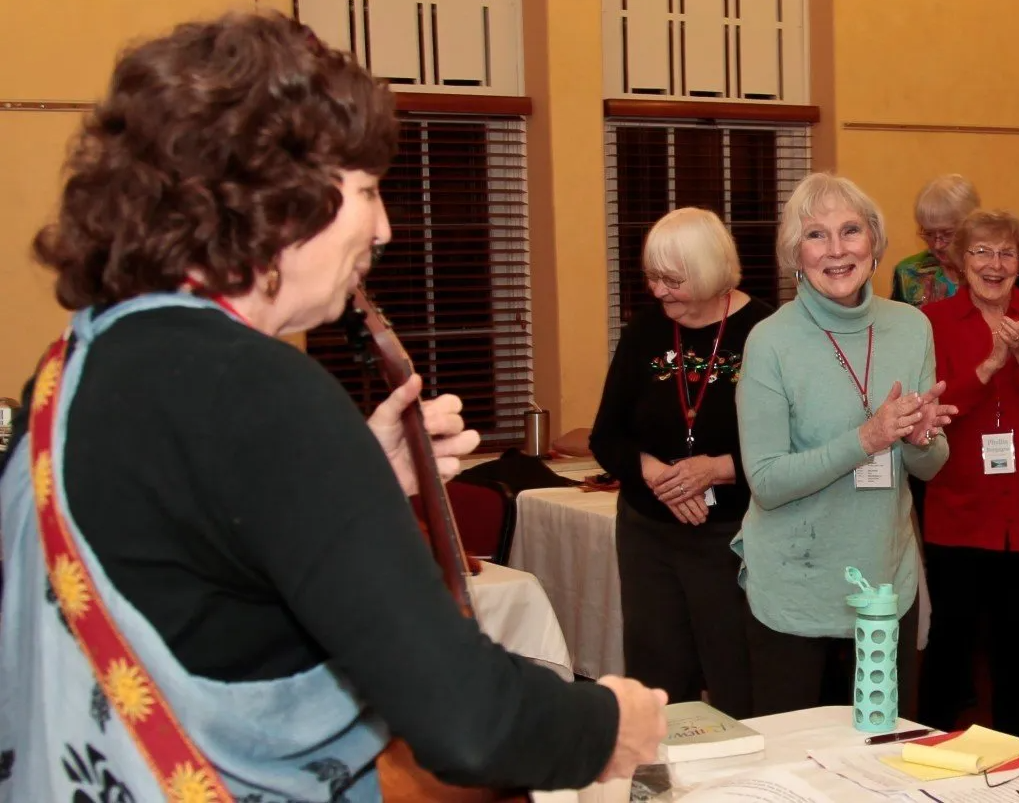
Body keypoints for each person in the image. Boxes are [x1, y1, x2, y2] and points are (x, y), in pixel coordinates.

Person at [0, 13, 664, 800]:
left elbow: (191, 573)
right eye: (366, 190)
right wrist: (608, 722)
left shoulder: (77, 366)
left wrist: (354, 476)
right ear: (275, 196)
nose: (382, 228)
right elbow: (468, 722)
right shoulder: (262, 389)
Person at [735, 173, 955, 716]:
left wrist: (921, 438)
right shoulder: (770, 341)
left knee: (883, 750)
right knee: (793, 759)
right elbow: (766, 482)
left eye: (851, 230)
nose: (836, 250)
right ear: (796, 253)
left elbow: (929, 466)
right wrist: (867, 438)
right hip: (794, 588)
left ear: (874, 242)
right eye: (816, 235)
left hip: (885, 582)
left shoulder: (912, 328)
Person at [591, 207, 773, 719]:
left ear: (711, 271)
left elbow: (795, 443)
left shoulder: (765, 331)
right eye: (652, 277)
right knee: (658, 685)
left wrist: (716, 469)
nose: (658, 291)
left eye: (672, 280)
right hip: (649, 535)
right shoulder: (645, 330)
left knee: (737, 680)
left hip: (733, 538)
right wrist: (658, 477)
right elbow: (606, 436)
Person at [917, 209, 1019, 735]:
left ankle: (1014, 749)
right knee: (951, 636)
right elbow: (936, 409)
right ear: (960, 262)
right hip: (959, 502)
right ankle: (926, 744)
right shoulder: (933, 321)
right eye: (982, 251)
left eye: (1007, 253)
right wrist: (989, 364)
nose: (995, 264)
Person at [889, 174, 1019, 308]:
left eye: (947, 233)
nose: (937, 245)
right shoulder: (908, 273)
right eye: (929, 234)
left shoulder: (1008, 269)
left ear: (970, 227)